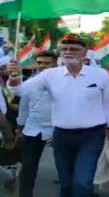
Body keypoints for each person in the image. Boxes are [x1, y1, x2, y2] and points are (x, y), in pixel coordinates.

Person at [7, 34, 109, 197]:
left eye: (74, 49)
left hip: (92, 136)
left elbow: (108, 103)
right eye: (64, 49)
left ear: (84, 52)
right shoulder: (49, 75)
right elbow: (20, 90)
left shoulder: (100, 75)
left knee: (82, 184)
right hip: (61, 136)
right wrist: (14, 76)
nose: (68, 52)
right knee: (66, 185)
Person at [16, 51, 58, 197]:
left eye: (47, 63)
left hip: (60, 130)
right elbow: (24, 107)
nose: (42, 66)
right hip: (33, 129)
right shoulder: (30, 83)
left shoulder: (66, 82)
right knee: (27, 169)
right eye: (40, 63)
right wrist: (19, 129)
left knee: (67, 169)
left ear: (56, 63)